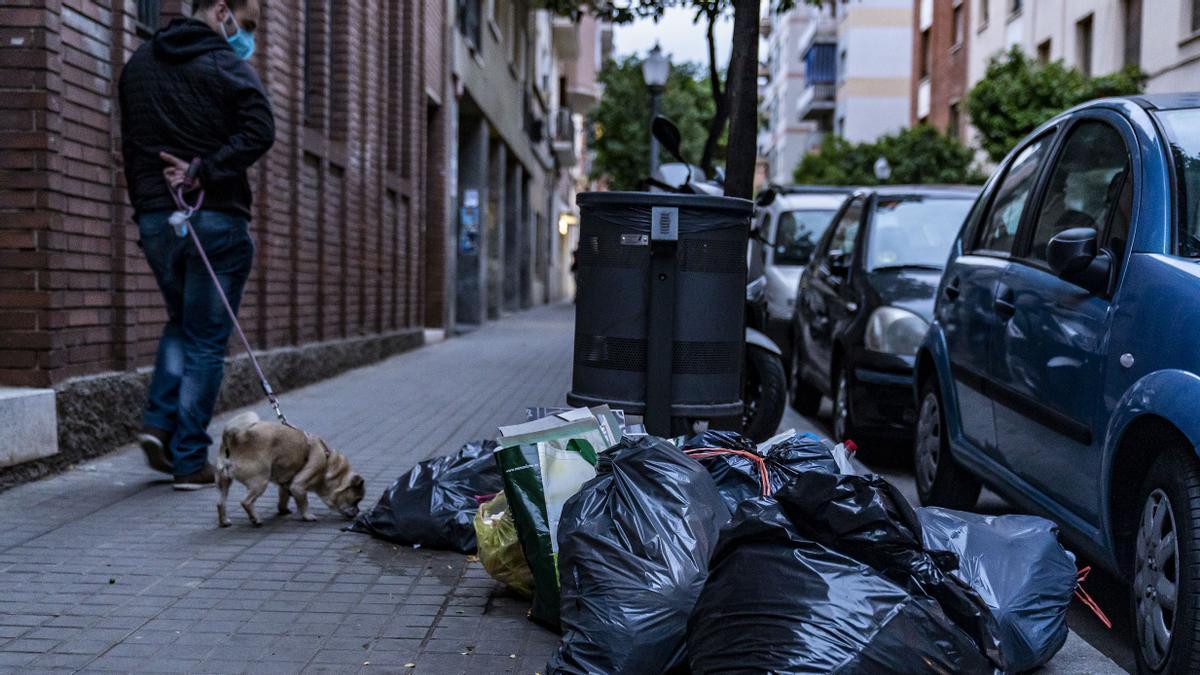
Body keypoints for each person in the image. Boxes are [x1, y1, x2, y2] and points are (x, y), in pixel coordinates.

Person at [118, 0, 274, 490]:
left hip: (157, 219)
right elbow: (260, 130)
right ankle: (188, 458)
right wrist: (203, 169)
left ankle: (159, 425)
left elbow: (133, 145)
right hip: (216, 219)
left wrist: (149, 204)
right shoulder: (225, 63)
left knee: (181, 323)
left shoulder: (139, 65)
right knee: (206, 338)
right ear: (222, 10)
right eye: (246, 25)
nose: (246, 37)